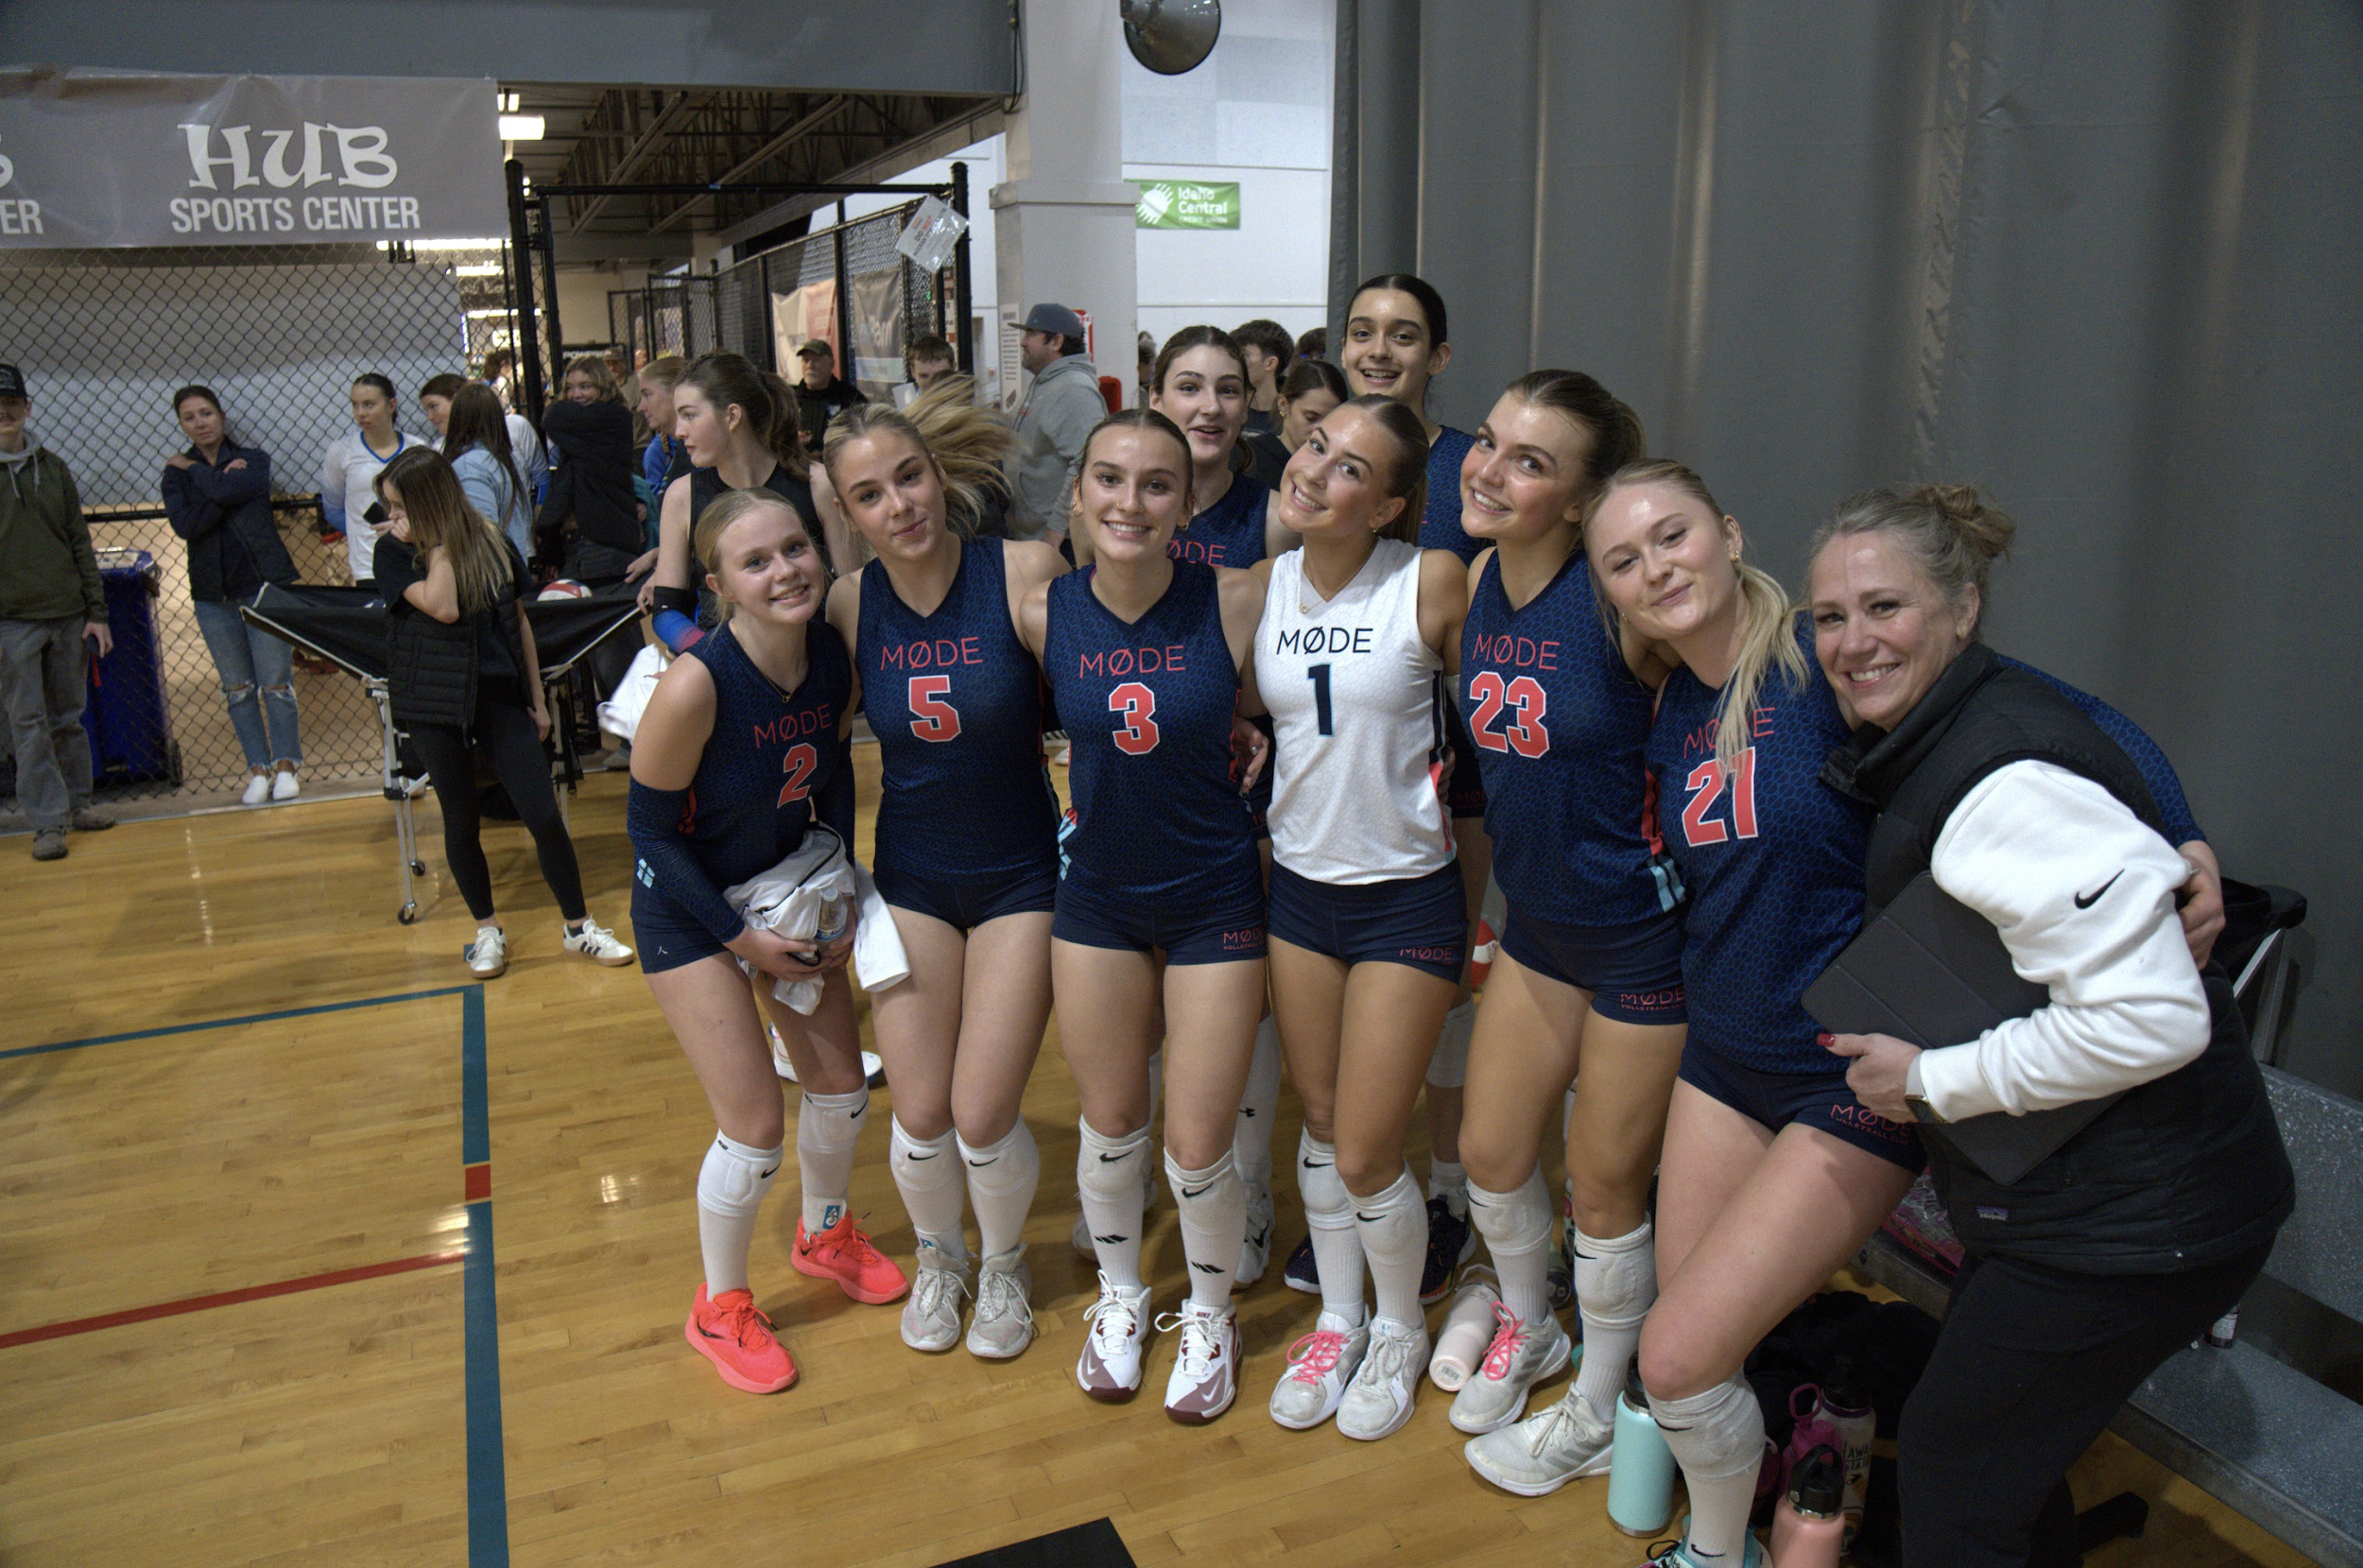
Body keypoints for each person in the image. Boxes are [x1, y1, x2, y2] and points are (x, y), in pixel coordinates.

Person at [1582, 460, 2226, 1568]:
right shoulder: (1671, 707)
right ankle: (1730, 1539)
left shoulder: (1817, 661)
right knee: (1681, 1353)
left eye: (1672, 535)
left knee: (1681, 1357)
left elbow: (2062, 719)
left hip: (1845, 1077)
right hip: (1723, 1060)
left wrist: (2183, 836)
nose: (1656, 568)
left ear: (1728, 535)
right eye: (1624, 559)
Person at [1804, 486, 2290, 1568]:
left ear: (1962, 608)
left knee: (1951, 1472)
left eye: (1884, 607)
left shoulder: (1999, 776)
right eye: (1830, 617)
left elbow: (2156, 1022)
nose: (1852, 640)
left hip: (2138, 1222)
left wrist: (1935, 1077)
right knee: (1984, 1459)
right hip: (2096, 1206)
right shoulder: (1965, 729)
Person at [1426, 374, 1689, 1490]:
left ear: (1584, 501)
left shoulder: (1628, 602)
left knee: (1606, 1189)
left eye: (1530, 461)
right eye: (1489, 443)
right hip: (1534, 927)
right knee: (1489, 1152)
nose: (1488, 468)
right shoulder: (1482, 577)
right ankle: (1528, 1324)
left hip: (1640, 938)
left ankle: (1595, 1405)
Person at [1018, 408, 1268, 1422]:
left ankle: (1210, 1314)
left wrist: (1250, 729)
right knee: (1113, 1123)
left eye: (1155, 483)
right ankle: (1121, 1300)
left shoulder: (1239, 597)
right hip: (1099, 899)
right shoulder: (1043, 610)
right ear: (1077, 492)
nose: (1130, 501)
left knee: (1199, 1144)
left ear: (1187, 499)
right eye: (1109, 480)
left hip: (1215, 892)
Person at [628, 486, 905, 1396]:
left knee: (841, 1087)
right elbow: (654, 838)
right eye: (756, 561)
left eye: (794, 548)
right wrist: (743, 939)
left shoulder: (831, 656)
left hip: (787, 892)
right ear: (719, 585)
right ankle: (720, 1302)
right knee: (751, 1131)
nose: (784, 569)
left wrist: (842, 880)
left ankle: (823, 1232)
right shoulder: (697, 683)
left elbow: (832, 776)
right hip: (693, 910)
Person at [820, 403, 1069, 1359]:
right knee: (921, 1111)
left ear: (938, 471)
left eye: (909, 477)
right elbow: (806, 728)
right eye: (870, 494)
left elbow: (1096, 687)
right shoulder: (847, 603)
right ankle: (941, 1256)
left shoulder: (1018, 570)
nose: (900, 505)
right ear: (849, 511)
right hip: (913, 878)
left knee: (980, 1110)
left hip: (1019, 877)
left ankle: (1002, 1263)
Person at [1252, 395, 1468, 1441]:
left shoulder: (1429, 581)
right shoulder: (1262, 585)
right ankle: (1338, 1318)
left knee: (1373, 1149)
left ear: (1386, 505)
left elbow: (1500, 739)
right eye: (1313, 445)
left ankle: (1397, 1327)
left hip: (1405, 897)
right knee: (1327, 1122)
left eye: (1348, 469)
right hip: (1298, 891)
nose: (1315, 470)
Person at [1338, 274, 1491, 1274]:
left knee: (1445, 993)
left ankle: (1446, 1198)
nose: (1379, 349)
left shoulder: (1473, 472)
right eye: (1361, 332)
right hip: (1335, 774)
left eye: (1403, 336)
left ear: (1436, 357)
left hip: (1455, 780)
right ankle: (1359, 1193)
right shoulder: (1311, 459)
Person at [370, 448, 632, 979]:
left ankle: (578, 926)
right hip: (436, 703)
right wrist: (440, 541)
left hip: (498, 696)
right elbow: (443, 606)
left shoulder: (491, 541)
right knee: (461, 820)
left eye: (400, 507)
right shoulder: (394, 555)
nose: (391, 519)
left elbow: (518, 622)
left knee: (542, 813)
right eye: (389, 508)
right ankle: (487, 930)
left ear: (432, 503)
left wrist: (536, 700)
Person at [161, 385, 301, 806]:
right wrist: (221, 484)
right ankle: (257, 769)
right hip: (211, 595)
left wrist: (196, 471)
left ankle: (287, 766)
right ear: (182, 423)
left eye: (206, 413)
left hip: (263, 586)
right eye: (189, 417)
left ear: (221, 416)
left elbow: (220, 495)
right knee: (238, 688)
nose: (199, 423)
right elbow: (187, 525)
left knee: (276, 684)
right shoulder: (174, 477)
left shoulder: (253, 461)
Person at [0, 361, 114, 862]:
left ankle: (78, 804)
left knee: (69, 717)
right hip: (12, 622)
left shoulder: (55, 469)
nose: (4, 411)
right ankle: (47, 823)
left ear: (27, 407)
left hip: (67, 614)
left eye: (12, 403)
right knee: (27, 724)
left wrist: (97, 610)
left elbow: (79, 542)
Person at [643, 353, 828, 654]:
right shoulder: (682, 496)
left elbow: (850, 591)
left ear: (731, 416)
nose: (678, 431)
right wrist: (710, 659)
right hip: (720, 664)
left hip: (811, 661)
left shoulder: (815, 483)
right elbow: (666, 610)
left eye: (689, 415)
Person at [536, 354, 641, 588]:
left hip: (605, 538)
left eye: (585, 387)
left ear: (603, 386)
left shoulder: (612, 417)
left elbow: (552, 419)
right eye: (570, 388)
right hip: (581, 540)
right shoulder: (580, 426)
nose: (576, 395)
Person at [1005, 303, 1104, 547]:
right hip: (1034, 537)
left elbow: (1086, 463)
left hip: (1057, 542)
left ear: (1056, 342)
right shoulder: (1045, 383)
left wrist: (1056, 530)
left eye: (1030, 334)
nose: (1022, 342)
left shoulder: (1074, 390)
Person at [319, 372, 422, 587]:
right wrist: (362, 534)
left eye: (369, 405)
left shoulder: (418, 449)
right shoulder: (341, 452)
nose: (360, 413)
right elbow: (332, 509)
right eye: (355, 405)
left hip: (416, 560)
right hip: (368, 566)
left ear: (391, 405)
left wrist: (409, 531)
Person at [442, 385, 538, 564]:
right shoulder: (507, 460)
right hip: (513, 567)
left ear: (457, 419)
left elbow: (482, 533)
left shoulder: (469, 465)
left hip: (488, 575)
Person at [422, 372, 546, 508]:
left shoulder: (514, 426)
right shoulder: (439, 449)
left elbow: (542, 478)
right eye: (426, 410)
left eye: (433, 406)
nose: (429, 417)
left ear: (458, 399)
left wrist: (537, 520)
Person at [1244, 357, 1347, 492]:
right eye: (1311, 418)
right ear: (1283, 405)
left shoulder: (1338, 469)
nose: (1320, 430)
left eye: (1331, 421)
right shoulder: (1251, 457)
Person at [791, 338, 865, 457]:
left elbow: (863, 434)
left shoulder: (849, 397)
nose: (810, 365)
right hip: (798, 468)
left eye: (816, 360)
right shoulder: (790, 399)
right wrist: (792, 439)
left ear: (831, 364)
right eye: (806, 360)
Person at [1232, 319, 1295, 435]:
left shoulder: (1293, 415)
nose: (1235, 362)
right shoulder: (1230, 409)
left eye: (1244, 356)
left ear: (1270, 363)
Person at [891, 334, 957, 408]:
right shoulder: (906, 414)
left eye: (940, 375)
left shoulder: (969, 407)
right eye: (924, 376)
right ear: (913, 372)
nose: (932, 383)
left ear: (953, 368)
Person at [482, 347, 518, 411]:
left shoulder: (488, 383)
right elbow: (508, 410)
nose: (515, 369)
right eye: (512, 365)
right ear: (504, 365)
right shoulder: (502, 381)